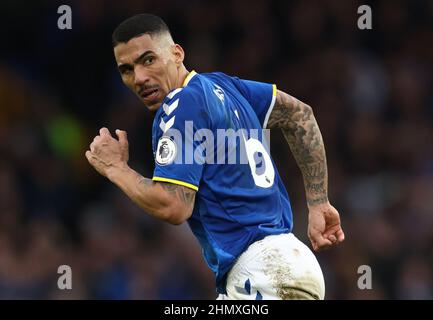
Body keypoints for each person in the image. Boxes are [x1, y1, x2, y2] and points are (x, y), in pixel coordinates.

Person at [85, 13, 345, 300]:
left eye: (148, 60)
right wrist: (319, 202)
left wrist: (116, 168)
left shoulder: (179, 104)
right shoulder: (226, 88)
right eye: (126, 70)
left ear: (176, 53)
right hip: (291, 264)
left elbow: (174, 205)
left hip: (261, 274)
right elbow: (299, 115)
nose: (140, 78)